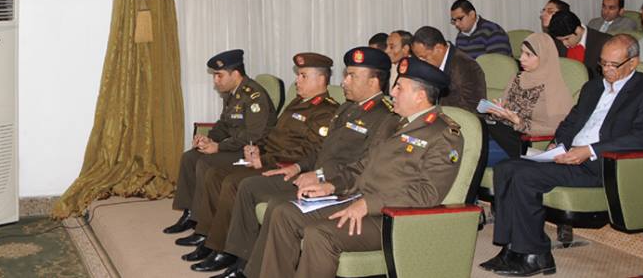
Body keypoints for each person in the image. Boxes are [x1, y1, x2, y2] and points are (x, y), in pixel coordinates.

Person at [247, 57, 464, 278]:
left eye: (399, 88)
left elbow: (427, 193)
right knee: (285, 213)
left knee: (319, 234)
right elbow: (363, 165)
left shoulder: (444, 134)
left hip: (393, 217)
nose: (392, 93)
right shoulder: (393, 122)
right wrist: (331, 185)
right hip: (358, 197)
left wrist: (369, 204)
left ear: (420, 96)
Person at [481, 34, 643, 276]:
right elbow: (570, 123)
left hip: (604, 165)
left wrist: (589, 150)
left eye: (613, 65)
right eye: (603, 63)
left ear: (633, 63)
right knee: (506, 168)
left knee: (524, 177)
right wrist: (557, 144)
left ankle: (536, 254)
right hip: (570, 156)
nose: (606, 70)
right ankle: (511, 249)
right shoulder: (593, 87)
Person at [209, 47, 399, 278]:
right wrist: (298, 167)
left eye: (352, 76)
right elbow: (322, 149)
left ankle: (250, 271)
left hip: (343, 188)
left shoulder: (386, 118)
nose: (344, 82)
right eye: (346, 75)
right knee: (271, 202)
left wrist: (321, 177)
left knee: (280, 208)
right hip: (318, 176)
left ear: (374, 81)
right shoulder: (348, 108)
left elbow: (364, 166)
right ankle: (251, 269)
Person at [182, 53, 340, 272]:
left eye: (303, 76)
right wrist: (258, 151)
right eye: (298, 75)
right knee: (215, 173)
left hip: (288, 169)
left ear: (321, 80)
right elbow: (274, 136)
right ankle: (211, 239)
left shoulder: (326, 110)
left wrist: (265, 159)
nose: (297, 80)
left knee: (234, 183)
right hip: (269, 159)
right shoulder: (297, 102)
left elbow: (309, 153)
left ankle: (233, 254)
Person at [164, 49, 277, 237]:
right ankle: (190, 213)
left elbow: (253, 136)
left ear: (236, 74)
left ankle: (204, 225)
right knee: (190, 157)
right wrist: (210, 138)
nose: (215, 80)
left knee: (205, 162)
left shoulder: (254, 96)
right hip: (235, 146)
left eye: (219, 75)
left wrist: (219, 147)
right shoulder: (232, 93)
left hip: (253, 152)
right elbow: (224, 123)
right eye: (214, 76)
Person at [484, 33, 572, 163]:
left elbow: (559, 128)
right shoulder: (517, 78)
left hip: (523, 143)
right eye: (522, 52)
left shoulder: (554, 87)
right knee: (464, 141)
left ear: (544, 57)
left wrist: (520, 122)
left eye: (528, 55)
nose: (521, 58)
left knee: (469, 153)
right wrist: (499, 111)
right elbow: (506, 109)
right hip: (501, 133)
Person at [409, 26, 486, 113]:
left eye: (424, 57)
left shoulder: (467, 66)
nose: (421, 62)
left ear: (438, 49)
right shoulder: (433, 64)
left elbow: (472, 107)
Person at [547, 10, 610, 79]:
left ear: (578, 30)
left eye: (567, 39)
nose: (564, 43)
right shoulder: (557, 42)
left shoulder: (605, 43)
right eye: (560, 40)